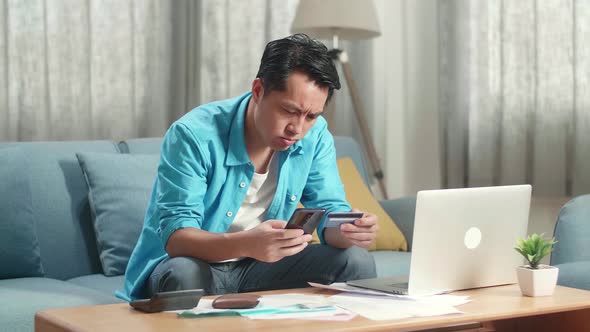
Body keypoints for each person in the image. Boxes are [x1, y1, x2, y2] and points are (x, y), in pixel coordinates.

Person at [117, 34, 378, 301]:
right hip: (196, 264)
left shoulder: (315, 135)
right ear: (258, 90)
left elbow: (329, 210)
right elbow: (177, 239)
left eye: (311, 116)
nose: (297, 128)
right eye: (288, 110)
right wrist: (248, 244)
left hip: (262, 268)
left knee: (355, 261)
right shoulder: (193, 134)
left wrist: (348, 231)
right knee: (184, 274)